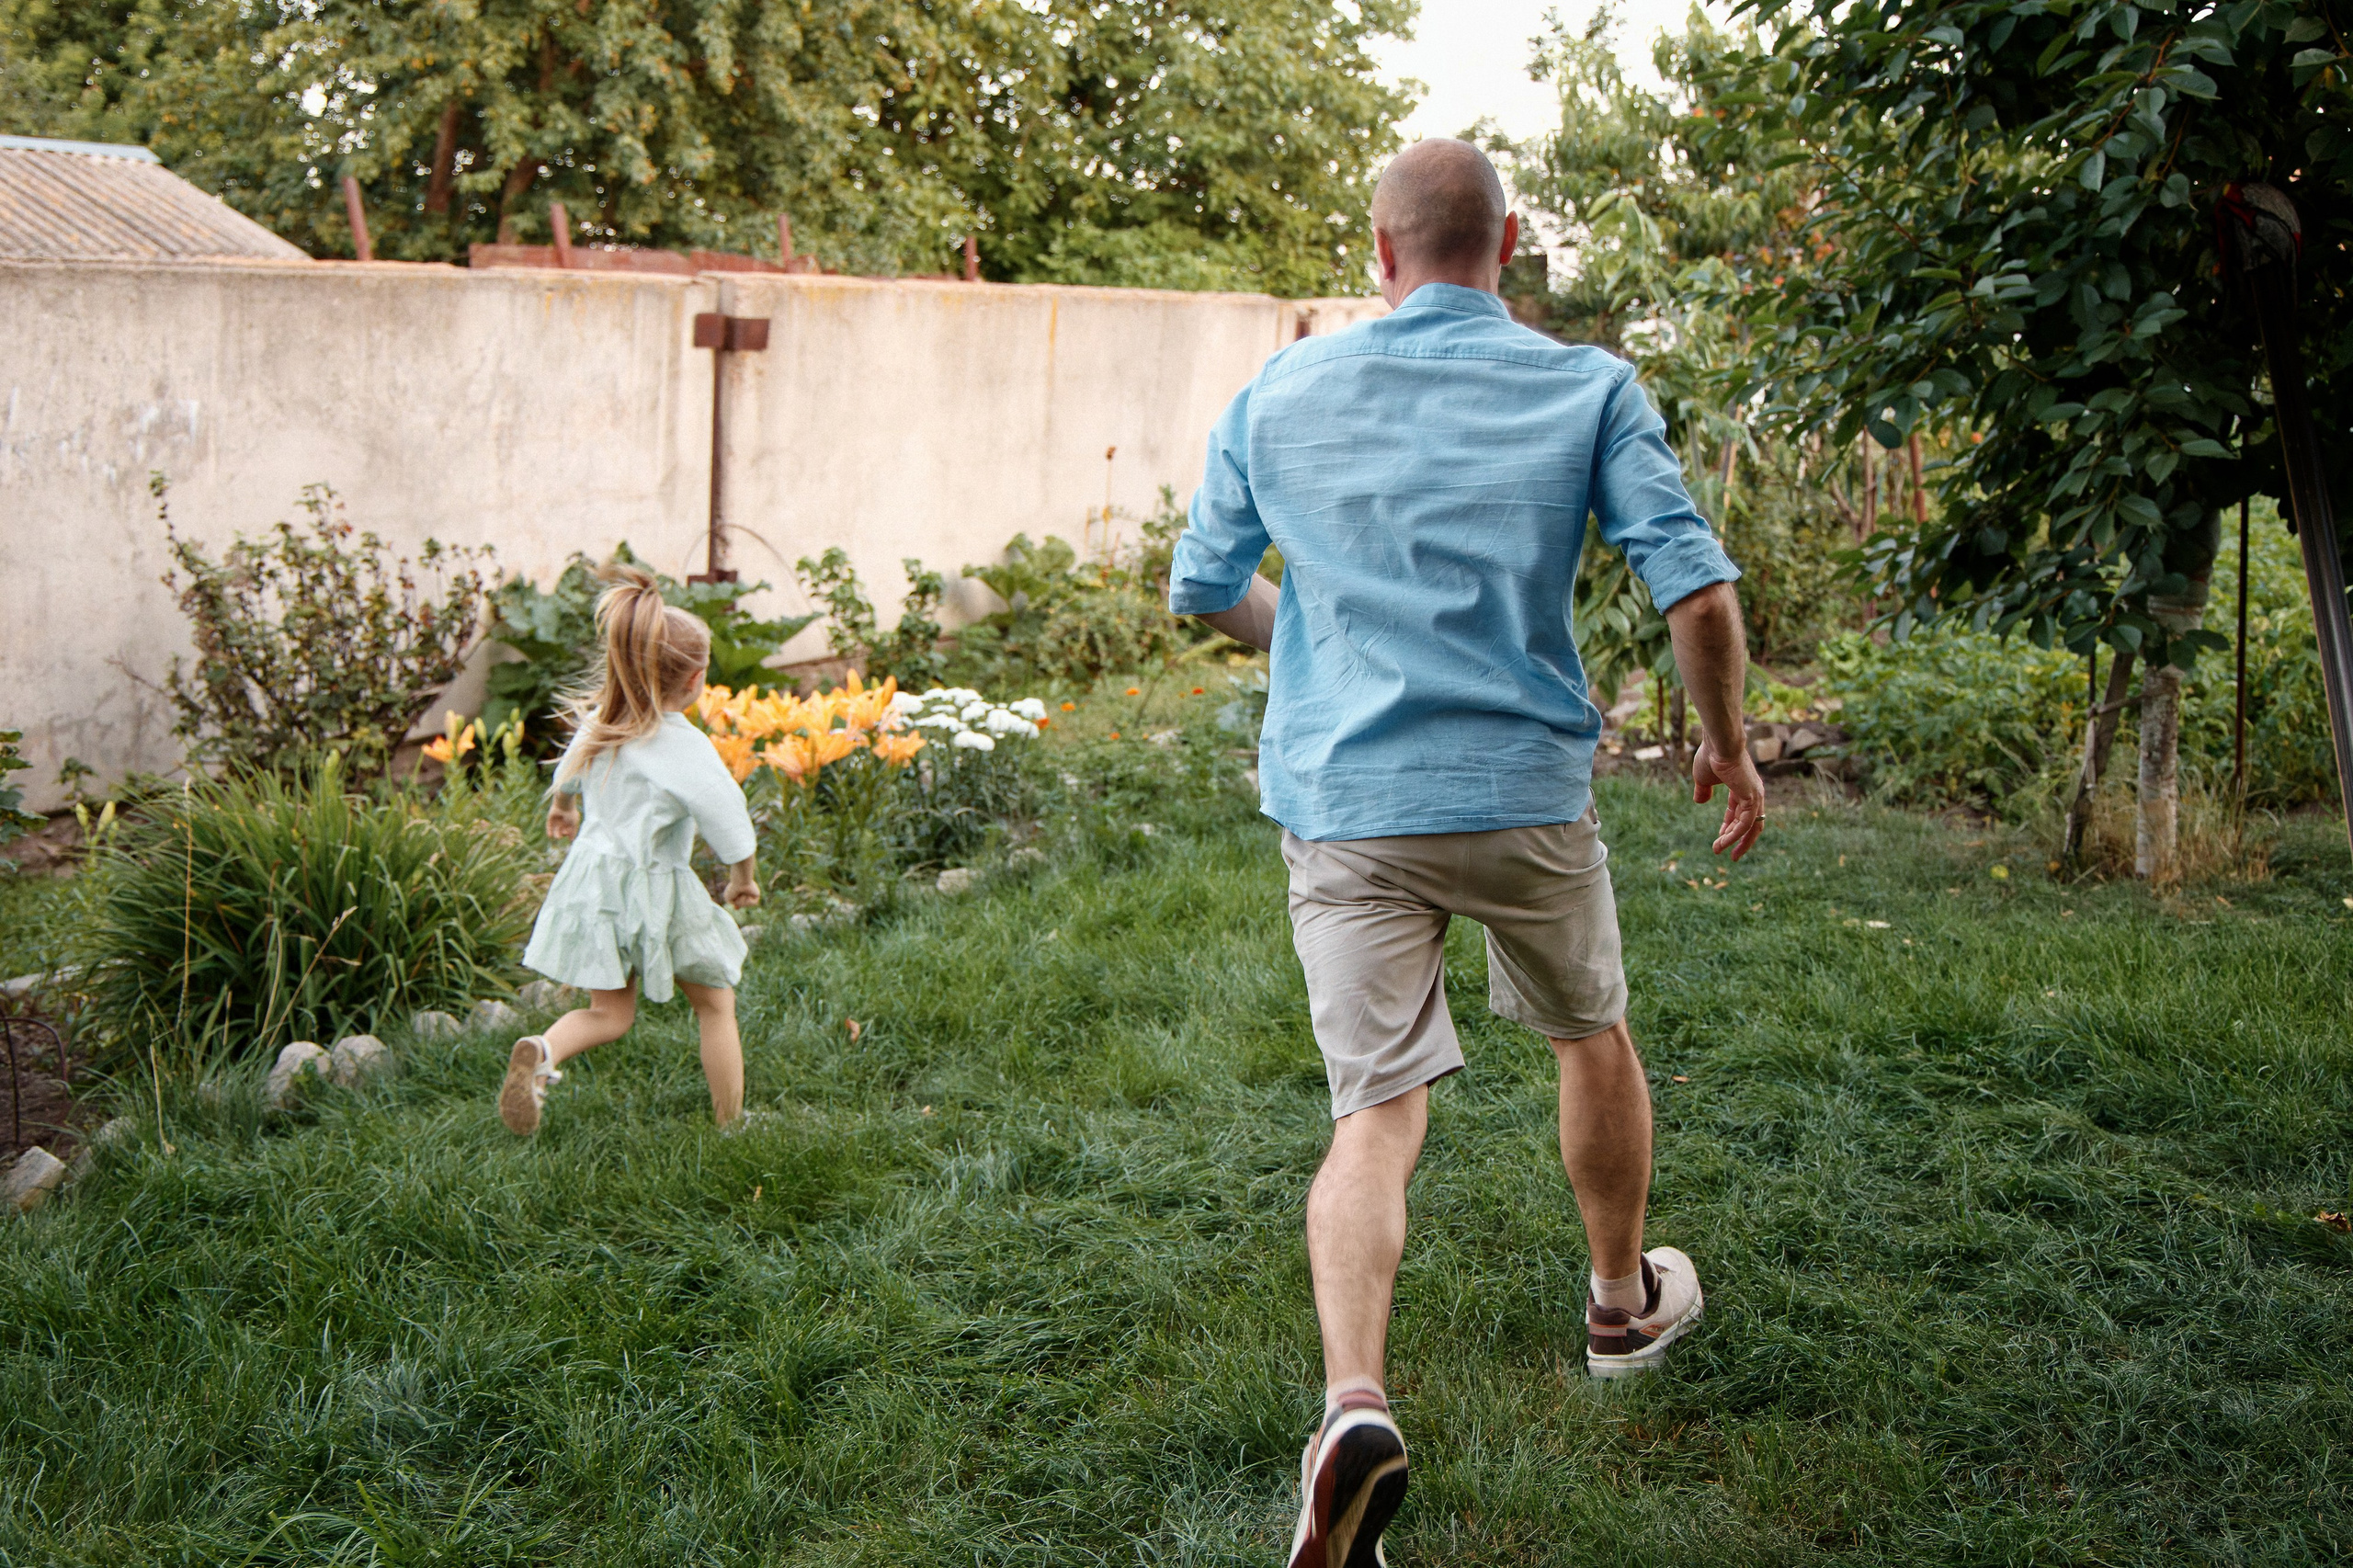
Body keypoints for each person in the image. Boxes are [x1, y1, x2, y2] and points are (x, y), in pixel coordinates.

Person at [1167, 138, 1766, 1568]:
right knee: (1589, 1034)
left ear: (1379, 254)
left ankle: (1353, 1405)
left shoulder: (1281, 386)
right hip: (1521, 794)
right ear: (1505, 252)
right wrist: (1728, 745)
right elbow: (1695, 587)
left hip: (1349, 801)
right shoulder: (1586, 384)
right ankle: (1621, 1307)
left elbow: (1203, 587)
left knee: (1373, 1114)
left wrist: (1312, 637)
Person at [499, 563, 763, 1136]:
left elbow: (571, 767)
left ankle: (544, 1051)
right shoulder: (685, 749)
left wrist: (562, 807)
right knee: (715, 1004)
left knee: (609, 1013)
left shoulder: (604, 719)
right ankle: (732, 1125)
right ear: (694, 680)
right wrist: (742, 876)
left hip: (593, 883)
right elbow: (729, 820)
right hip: (654, 889)